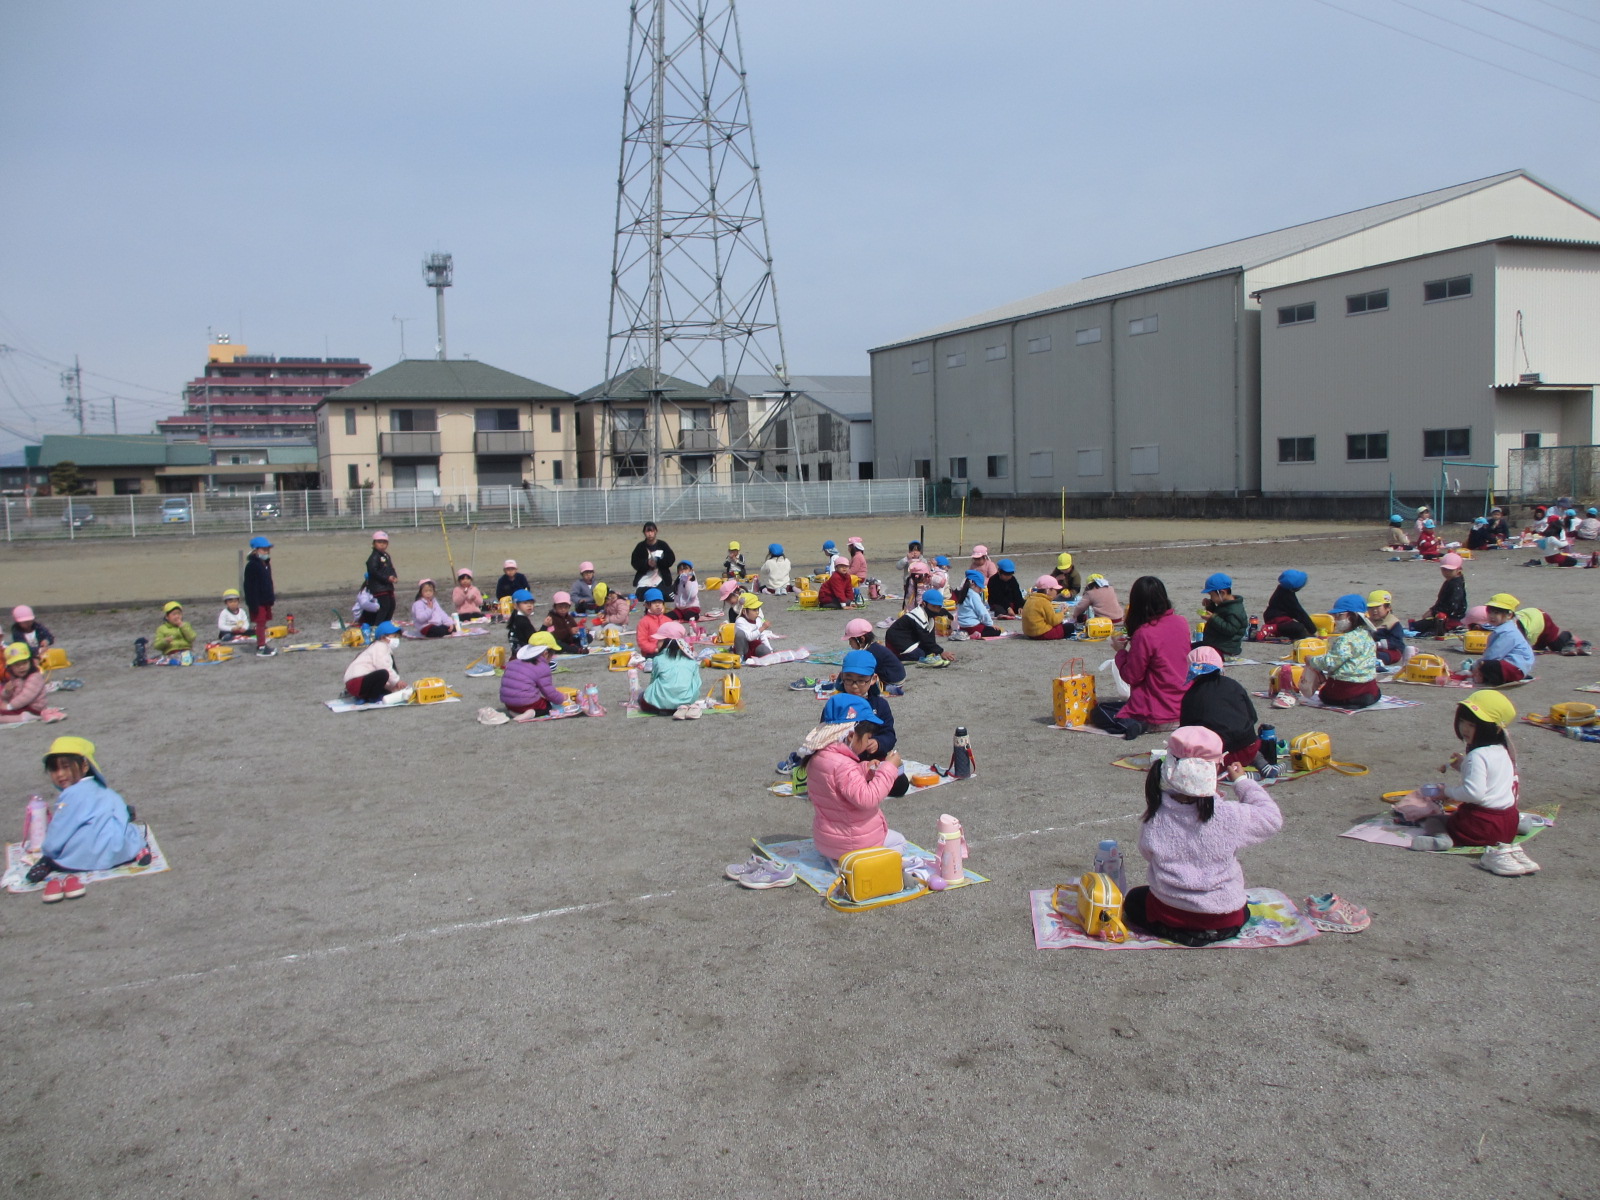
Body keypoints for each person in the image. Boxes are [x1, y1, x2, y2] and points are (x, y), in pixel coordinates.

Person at [1122, 727, 1283, 946]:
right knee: (1241, 906)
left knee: (1134, 900)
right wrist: (1243, 783)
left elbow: (1147, 853)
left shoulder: (1157, 813)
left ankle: (1181, 931)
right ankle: (1206, 932)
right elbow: (1272, 818)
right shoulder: (1228, 814)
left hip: (1171, 913)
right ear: (1215, 768)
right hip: (1224, 917)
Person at [1407, 692, 1533, 874]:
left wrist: (1447, 791)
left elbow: (1474, 793)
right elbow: (1492, 779)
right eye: (1462, 722)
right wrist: (1463, 766)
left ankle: (1442, 840)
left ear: (1494, 728)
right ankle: (1522, 824)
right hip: (1508, 824)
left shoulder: (1477, 756)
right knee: (1503, 813)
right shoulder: (1502, 750)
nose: (1465, 728)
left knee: (1435, 820)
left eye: (1472, 725)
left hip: (1482, 826)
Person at [25, 737, 151, 902]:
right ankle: (139, 849)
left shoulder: (69, 796)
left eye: (66, 767)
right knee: (132, 831)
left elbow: (59, 831)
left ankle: (47, 865)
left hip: (85, 858)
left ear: (84, 766)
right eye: (54, 769)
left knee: (64, 845)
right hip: (117, 852)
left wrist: (47, 852)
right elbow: (122, 815)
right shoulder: (106, 791)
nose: (60, 774)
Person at [806, 694, 906, 867]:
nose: (868, 742)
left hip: (826, 842)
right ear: (851, 736)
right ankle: (866, 866)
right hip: (854, 844)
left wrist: (864, 769)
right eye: (867, 737)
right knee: (899, 842)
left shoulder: (819, 757)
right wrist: (889, 767)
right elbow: (868, 799)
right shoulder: (844, 765)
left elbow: (837, 784)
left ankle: (839, 860)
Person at [1090, 575, 1190, 739]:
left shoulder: (1145, 633)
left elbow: (1132, 676)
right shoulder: (1181, 622)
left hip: (1156, 711)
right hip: (1184, 707)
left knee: (1099, 712)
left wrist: (1120, 652)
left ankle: (1136, 724)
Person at [1179, 646, 1272, 778]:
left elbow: (1186, 732)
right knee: (1248, 747)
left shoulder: (1191, 696)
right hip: (1250, 746)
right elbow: (1253, 716)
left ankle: (1236, 776)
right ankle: (1263, 765)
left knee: (1204, 767)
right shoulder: (1233, 685)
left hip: (1222, 754)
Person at [1276, 593, 1380, 709]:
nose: (1335, 620)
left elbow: (1330, 663)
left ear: (1352, 616)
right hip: (1369, 690)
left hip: (1345, 690)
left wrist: (1312, 660)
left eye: (1339, 616)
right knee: (1375, 691)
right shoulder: (1367, 635)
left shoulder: (1345, 639)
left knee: (1325, 695)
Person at [834, 650, 911, 796]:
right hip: (846, 763)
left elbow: (889, 733)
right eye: (849, 679)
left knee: (901, 785)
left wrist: (879, 743)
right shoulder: (836, 704)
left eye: (861, 680)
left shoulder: (880, 705)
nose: (855, 686)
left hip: (874, 761)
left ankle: (869, 784)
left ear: (873, 679)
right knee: (839, 785)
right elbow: (824, 736)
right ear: (842, 677)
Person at [637, 621, 705, 718]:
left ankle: (666, 707)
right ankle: (681, 706)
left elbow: (652, 681)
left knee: (641, 697)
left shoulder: (658, 659)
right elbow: (697, 683)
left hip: (659, 705)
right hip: (686, 701)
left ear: (667, 642)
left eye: (660, 640)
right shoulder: (691, 660)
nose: (657, 643)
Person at [1473, 593, 1535, 687]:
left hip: (1515, 668)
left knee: (1487, 665)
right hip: (1513, 666)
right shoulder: (1502, 628)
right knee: (1485, 665)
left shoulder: (1508, 632)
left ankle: (1495, 678)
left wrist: (1478, 666)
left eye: (1496, 613)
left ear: (1509, 615)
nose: (1492, 616)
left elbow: (1494, 654)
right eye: (1490, 612)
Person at [500, 633, 571, 716]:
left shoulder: (513, 662)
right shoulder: (542, 667)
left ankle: (516, 712)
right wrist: (561, 698)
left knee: (528, 697)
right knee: (547, 706)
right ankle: (531, 713)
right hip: (525, 704)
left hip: (509, 704)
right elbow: (549, 692)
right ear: (545, 654)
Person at [343, 620, 407, 702]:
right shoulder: (380, 647)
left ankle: (366, 696)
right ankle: (372, 697)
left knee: (385, 684)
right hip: (357, 682)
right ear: (383, 637)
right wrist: (397, 681)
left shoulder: (378, 647)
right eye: (394, 636)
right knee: (383, 673)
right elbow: (384, 667)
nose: (396, 639)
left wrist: (392, 688)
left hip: (355, 682)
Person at [885, 590, 953, 666]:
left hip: (910, 640)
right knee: (920, 654)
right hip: (897, 643)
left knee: (928, 650)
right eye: (933, 606)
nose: (936, 610)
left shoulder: (928, 614)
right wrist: (941, 652)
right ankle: (897, 658)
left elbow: (930, 637)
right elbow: (926, 639)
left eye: (939, 607)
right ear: (924, 604)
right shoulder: (919, 615)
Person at [1408, 553, 1467, 635]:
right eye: (1444, 569)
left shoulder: (1456, 585)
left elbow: (1452, 606)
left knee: (1421, 626)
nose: (1446, 572)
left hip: (1452, 618)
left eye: (1450, 570)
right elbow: (1441, 601)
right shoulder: (1450, 581)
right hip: (1445, 614)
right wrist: (1432, 610)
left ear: (1459, 570)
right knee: (1422, 623)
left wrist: (1434, 612)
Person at [842, 617, 907, 689]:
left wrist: (846, 677)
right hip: (897, 677)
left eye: (851, 641)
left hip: (893, 681)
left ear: (862, 639)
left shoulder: (870, 653)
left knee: (858, 683)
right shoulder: (872, 646)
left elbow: (862, 671)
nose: (849, 644)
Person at [1199, 572, 1247, 659]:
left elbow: (1230, 629)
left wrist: (1212, 618)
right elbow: (1220, 618)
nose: (1211, 598)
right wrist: (1210, 606)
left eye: (1211, 595)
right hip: (1217, 644)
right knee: (1188, 648)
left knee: (1199, 654)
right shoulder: (1225, 605)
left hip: (1226, 649)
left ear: (1222, 593)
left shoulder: (1234, 609)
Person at [243, 534, 276, 657]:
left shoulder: (266, 563)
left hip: (265, 599)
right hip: (257, 601)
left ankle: (263, 643)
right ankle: (261, 647)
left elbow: (269, 582)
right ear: (256, 550)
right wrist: (253, 603)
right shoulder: (252, 566)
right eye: (263, 549)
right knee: (260, 623)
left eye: (267, 549)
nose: (266, 552)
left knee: (264, 622)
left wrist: (271, 597)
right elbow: (249, 587)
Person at [1, 642, 49, 723]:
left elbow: (26, 697)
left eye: (25, 663)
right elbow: (7, 697)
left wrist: (10, 706)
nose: (21, 667)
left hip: (34, 708)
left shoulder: (35, 677)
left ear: (30, 662)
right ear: (10, 668)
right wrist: (7, 691)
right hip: (21, 706)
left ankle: (26, 717)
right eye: (17, 665)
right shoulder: (15, 678)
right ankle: (22, 716)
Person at [1515, 606, 1590, 656]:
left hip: (1542, 618)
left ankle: (1569, 636)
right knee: (1538, 647)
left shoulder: (1512, 630)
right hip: (1531, 616)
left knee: (1556, 646)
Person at [1261, 570, 1314, 641]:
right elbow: (1300, 613)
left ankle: (1275, 631)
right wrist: (1313, 630)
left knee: (1299, 630)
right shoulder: (1287, 596)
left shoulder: (1283, 590)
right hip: (1276, 618)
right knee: (1299, 628)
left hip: (1276, 617)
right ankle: (1271, 628)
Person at [630, 521, 675, 599]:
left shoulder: (662, 545)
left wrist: (659, 562)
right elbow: (634, 562)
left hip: (661, 576)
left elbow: (671, 559)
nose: (650, 534)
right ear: (644, 532)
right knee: (642, 595)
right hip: (645, 577)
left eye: (652, 531)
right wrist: (647, 563)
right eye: (648, 531)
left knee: (665, 596)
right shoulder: (640, 547)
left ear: (656, 532)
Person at [1365, 589, 1408, 667]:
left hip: (1390, 650)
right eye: (1371, 608)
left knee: (1388, 655)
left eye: (1378, 607)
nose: (1374, 611)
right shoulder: (1367, 621)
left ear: (1388, 608)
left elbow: (1398, 643)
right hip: (1371, 649)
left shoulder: (1392, 623)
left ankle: (1376, 661)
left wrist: (1380, 644)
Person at [954, 569, 1001, 639]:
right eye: (979, 587)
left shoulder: (963, 592)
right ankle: (974, 635)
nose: (981, 590)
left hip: (963, 626)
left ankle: (969, 634)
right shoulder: (973, 595)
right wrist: (990, 624)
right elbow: (982, 612)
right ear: (973, 584)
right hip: (972, 627)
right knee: (997, 631)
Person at [364, 532, 399, 626]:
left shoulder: (386, 556)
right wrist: (387, 578)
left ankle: (386, 625)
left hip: (387, 586)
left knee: (392, 606)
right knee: (385, 606)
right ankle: (377, 626)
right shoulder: (374, 557)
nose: (382, 544)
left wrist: (394, 576)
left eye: (384, 542)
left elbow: (391, 568)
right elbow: (373, 571)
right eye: (379, 542)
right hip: (378, 586)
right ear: (374, 543)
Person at [1022, 576, 1068, 640]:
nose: (1056, 592)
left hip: (1029, 633)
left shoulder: (1030, 599)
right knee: (1068, 627)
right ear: (1048, 590)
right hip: (1041, 633)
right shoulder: (1044, 601)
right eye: (1055, 590)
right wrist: (1062, 613)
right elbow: (1053, 621)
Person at [734, 593, 775, 659]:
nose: (757, 612)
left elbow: (762, 636)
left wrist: (770, 650)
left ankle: (754, 656)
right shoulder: (740, 621)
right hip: (744, 647)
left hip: (754, 646)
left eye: (757, 609)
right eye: (754, 610)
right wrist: (762, 628)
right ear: (744, 611)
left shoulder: (758, 620)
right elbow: (749, 637)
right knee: (740, 634)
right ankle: (740, 657)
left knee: (765, 651)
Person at [634, 588, 670, 657]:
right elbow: (642, 641)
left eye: (659, 602)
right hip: (651, 652)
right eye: (654, 602)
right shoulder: (644, 621)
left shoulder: (667, 620)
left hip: (667, 650)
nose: (657, 605)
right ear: (647, 605)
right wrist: (655, 649)